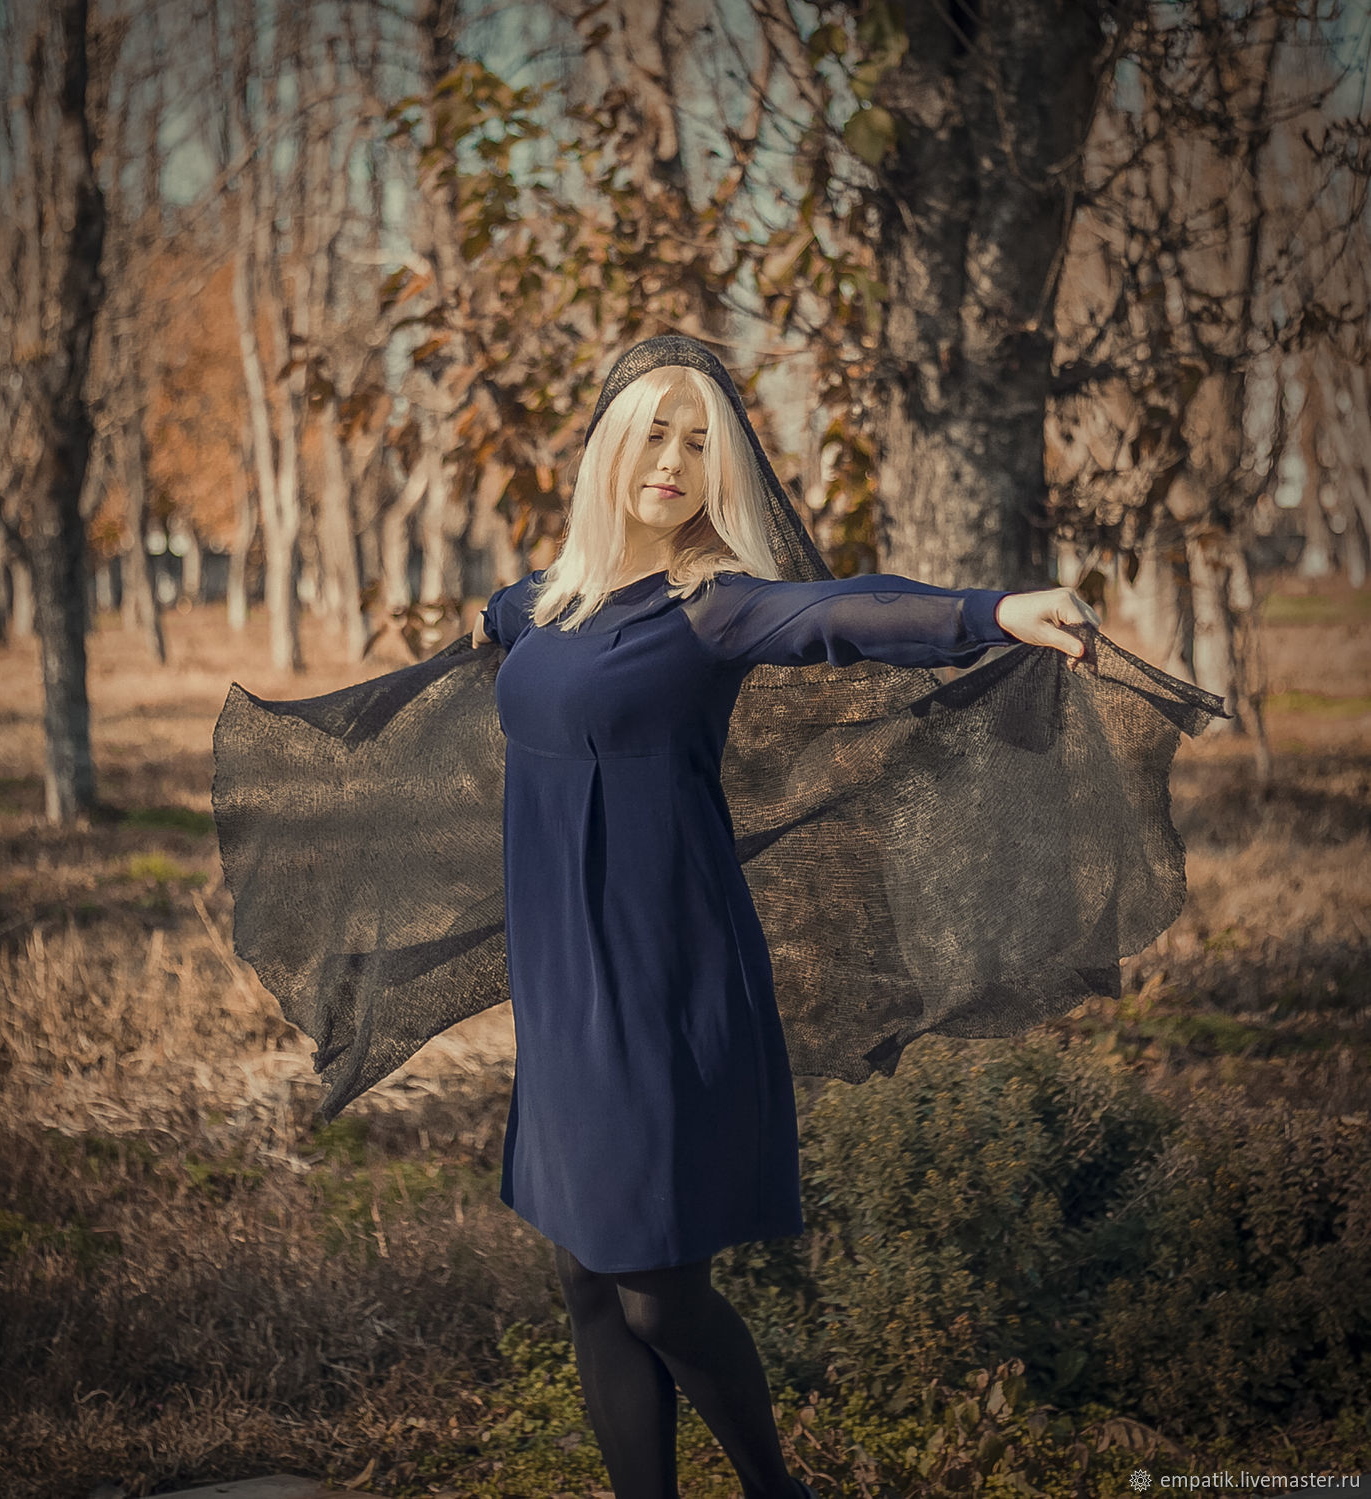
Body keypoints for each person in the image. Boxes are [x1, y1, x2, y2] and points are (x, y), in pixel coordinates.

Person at [467, 342, 1101, 1499]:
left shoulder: (712, 604)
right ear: (608, 444)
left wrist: (995, 610)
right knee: (587, 1276)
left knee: (659, 1290)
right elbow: (509, 616)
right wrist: (486, 617)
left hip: (662, 974)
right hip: (561, 983)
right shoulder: (546, 600)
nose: (672, 460)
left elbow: (841, 613)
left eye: (699, 441)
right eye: (654, 432)